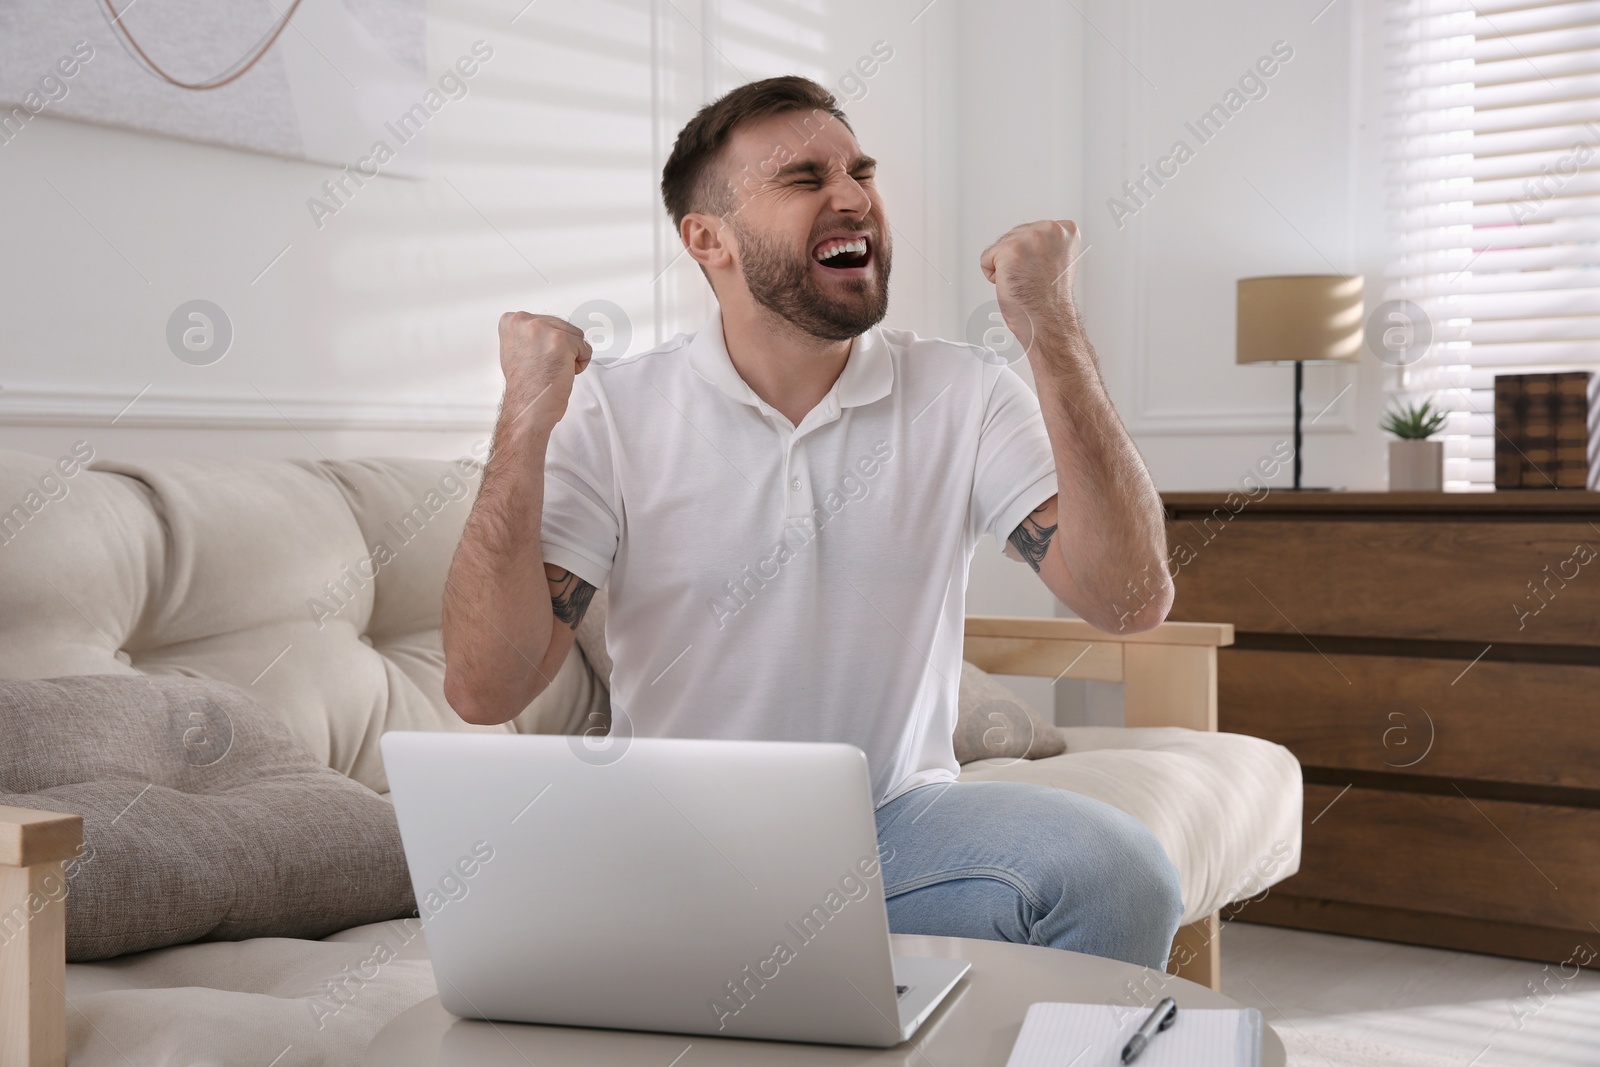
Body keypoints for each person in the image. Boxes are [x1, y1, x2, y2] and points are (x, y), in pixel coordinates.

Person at [442, 75, 1183, 968]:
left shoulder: (964, 392)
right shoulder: (613, 411)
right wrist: (527, 412)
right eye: (803, 179)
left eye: (860, 171)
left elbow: (1130, 599)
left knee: (1119, 871)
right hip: (678, 838)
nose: (853, 196)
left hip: (897, 826)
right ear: (706, 238)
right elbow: (485, 689)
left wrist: (1050, 327)